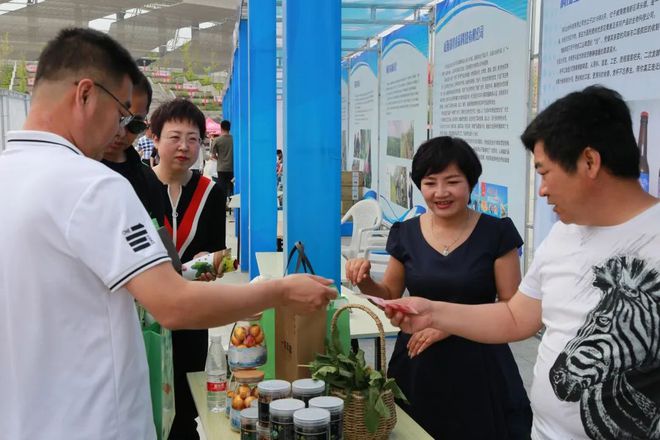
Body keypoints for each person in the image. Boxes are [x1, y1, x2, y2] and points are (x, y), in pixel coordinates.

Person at [0, 27, 336, 440]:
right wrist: (281, 292)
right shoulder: (92, 185)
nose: (121, 132)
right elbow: (173, 304)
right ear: (85, 94)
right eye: (121, 114)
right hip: (93, 422)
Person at [384, 86, 660, 440]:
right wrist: (432, 312)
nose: (541, 190)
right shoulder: (564, 235)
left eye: (545, 173)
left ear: (589, 162)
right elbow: (516, 316)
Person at [345, 136, 532, 439]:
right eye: (430, 183)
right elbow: (391, 295)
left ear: (470, 183)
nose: (441, 192)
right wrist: (364, 279)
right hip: (419, 365)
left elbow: (511, 306)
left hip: (480, 364)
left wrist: (448, 324)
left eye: (452, 182)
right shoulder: (405, 233)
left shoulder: (496, 234)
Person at [150, 98, 228, 439]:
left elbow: (215, 250)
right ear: (155, 139)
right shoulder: (136, 189)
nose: (184, 146)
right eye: (175, 137)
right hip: (147, 318)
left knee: (187, 408)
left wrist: (213, 265)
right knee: (148, 403)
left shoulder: (210, 192)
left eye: (193, 138)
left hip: (191, 313)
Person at [102, 71, 165, 226]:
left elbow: (157, 237)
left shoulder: (148, 180)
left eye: (135, 124)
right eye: (117, 118)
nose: (121, 131)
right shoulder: (69, 171)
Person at [211, 119, 233, 201]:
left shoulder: (217, 140)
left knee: (222, 189)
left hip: (221, 168)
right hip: (232, 168)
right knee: (231, 188)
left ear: (221, 128)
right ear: (229, 128)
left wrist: (220, 159)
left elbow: (213, 155)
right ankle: (232, 205)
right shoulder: (234, 140)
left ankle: (223, 206)